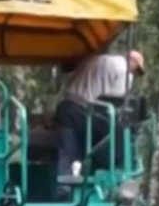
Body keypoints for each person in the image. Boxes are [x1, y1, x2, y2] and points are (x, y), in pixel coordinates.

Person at [55, 49, 145, 188]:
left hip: (66, 108)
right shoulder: (124, 71)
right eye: (136, 69)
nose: (135, 73)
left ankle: (64, 187)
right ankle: (106, 181)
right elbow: (116, 103)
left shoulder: (96, 59)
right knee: (115, 139)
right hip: (87, 112)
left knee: (68, 149)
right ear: (131, 60)